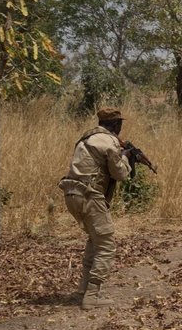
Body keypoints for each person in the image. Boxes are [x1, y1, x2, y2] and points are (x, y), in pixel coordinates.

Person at [57, 107, 133, 310]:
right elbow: (120, 174)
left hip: (72, 194)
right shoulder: (110, 142)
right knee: (106, 245)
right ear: (117, 124)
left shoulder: (86, 138)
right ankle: (92, 295)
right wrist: (126, 157)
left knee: (95, 240)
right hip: (91, 196)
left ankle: (83, 289)